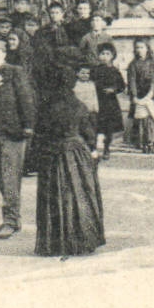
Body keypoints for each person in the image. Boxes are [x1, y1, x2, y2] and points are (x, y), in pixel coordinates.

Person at [34, 60, 106, 257]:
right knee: (79, 195)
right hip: (76, 154)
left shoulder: (46, 107)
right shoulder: (79, 106)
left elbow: (40, 134)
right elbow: (89, 134)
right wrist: (93, 148)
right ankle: (82, 240)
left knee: (55, 197)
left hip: (52, 155)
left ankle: (55, 244)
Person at [0, 39, 36, 239]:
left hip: (14, 133)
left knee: (10, 179)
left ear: (4, 54)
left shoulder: (14, 72)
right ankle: (9, 219)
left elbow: (26, 99)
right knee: (1, 179)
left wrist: (28, 128)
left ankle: (12, 221)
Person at [126, 39, 154, 154]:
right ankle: (141, 142)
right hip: (139, 94)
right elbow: (131, 81)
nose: (139, 50)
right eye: (137, 48)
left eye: (142, 47)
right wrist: (134, 96)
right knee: (140, 118)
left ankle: (152, 141)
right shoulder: (133, 64)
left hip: (152, 93)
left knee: (151, 118)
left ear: (147, 49)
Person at [91, 44, 127, 159]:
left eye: (107, 54)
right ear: (98, 56)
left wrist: (113, 90)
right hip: (97, 101)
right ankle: (93, 148)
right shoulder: (95, 70)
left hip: (110, 102)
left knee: (109, 127)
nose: (105, 57)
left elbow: (122, 86)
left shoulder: (114, 71)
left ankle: (106, 148)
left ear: (112, 56)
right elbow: (91, 82)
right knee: (95, 125)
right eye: (102, 54)